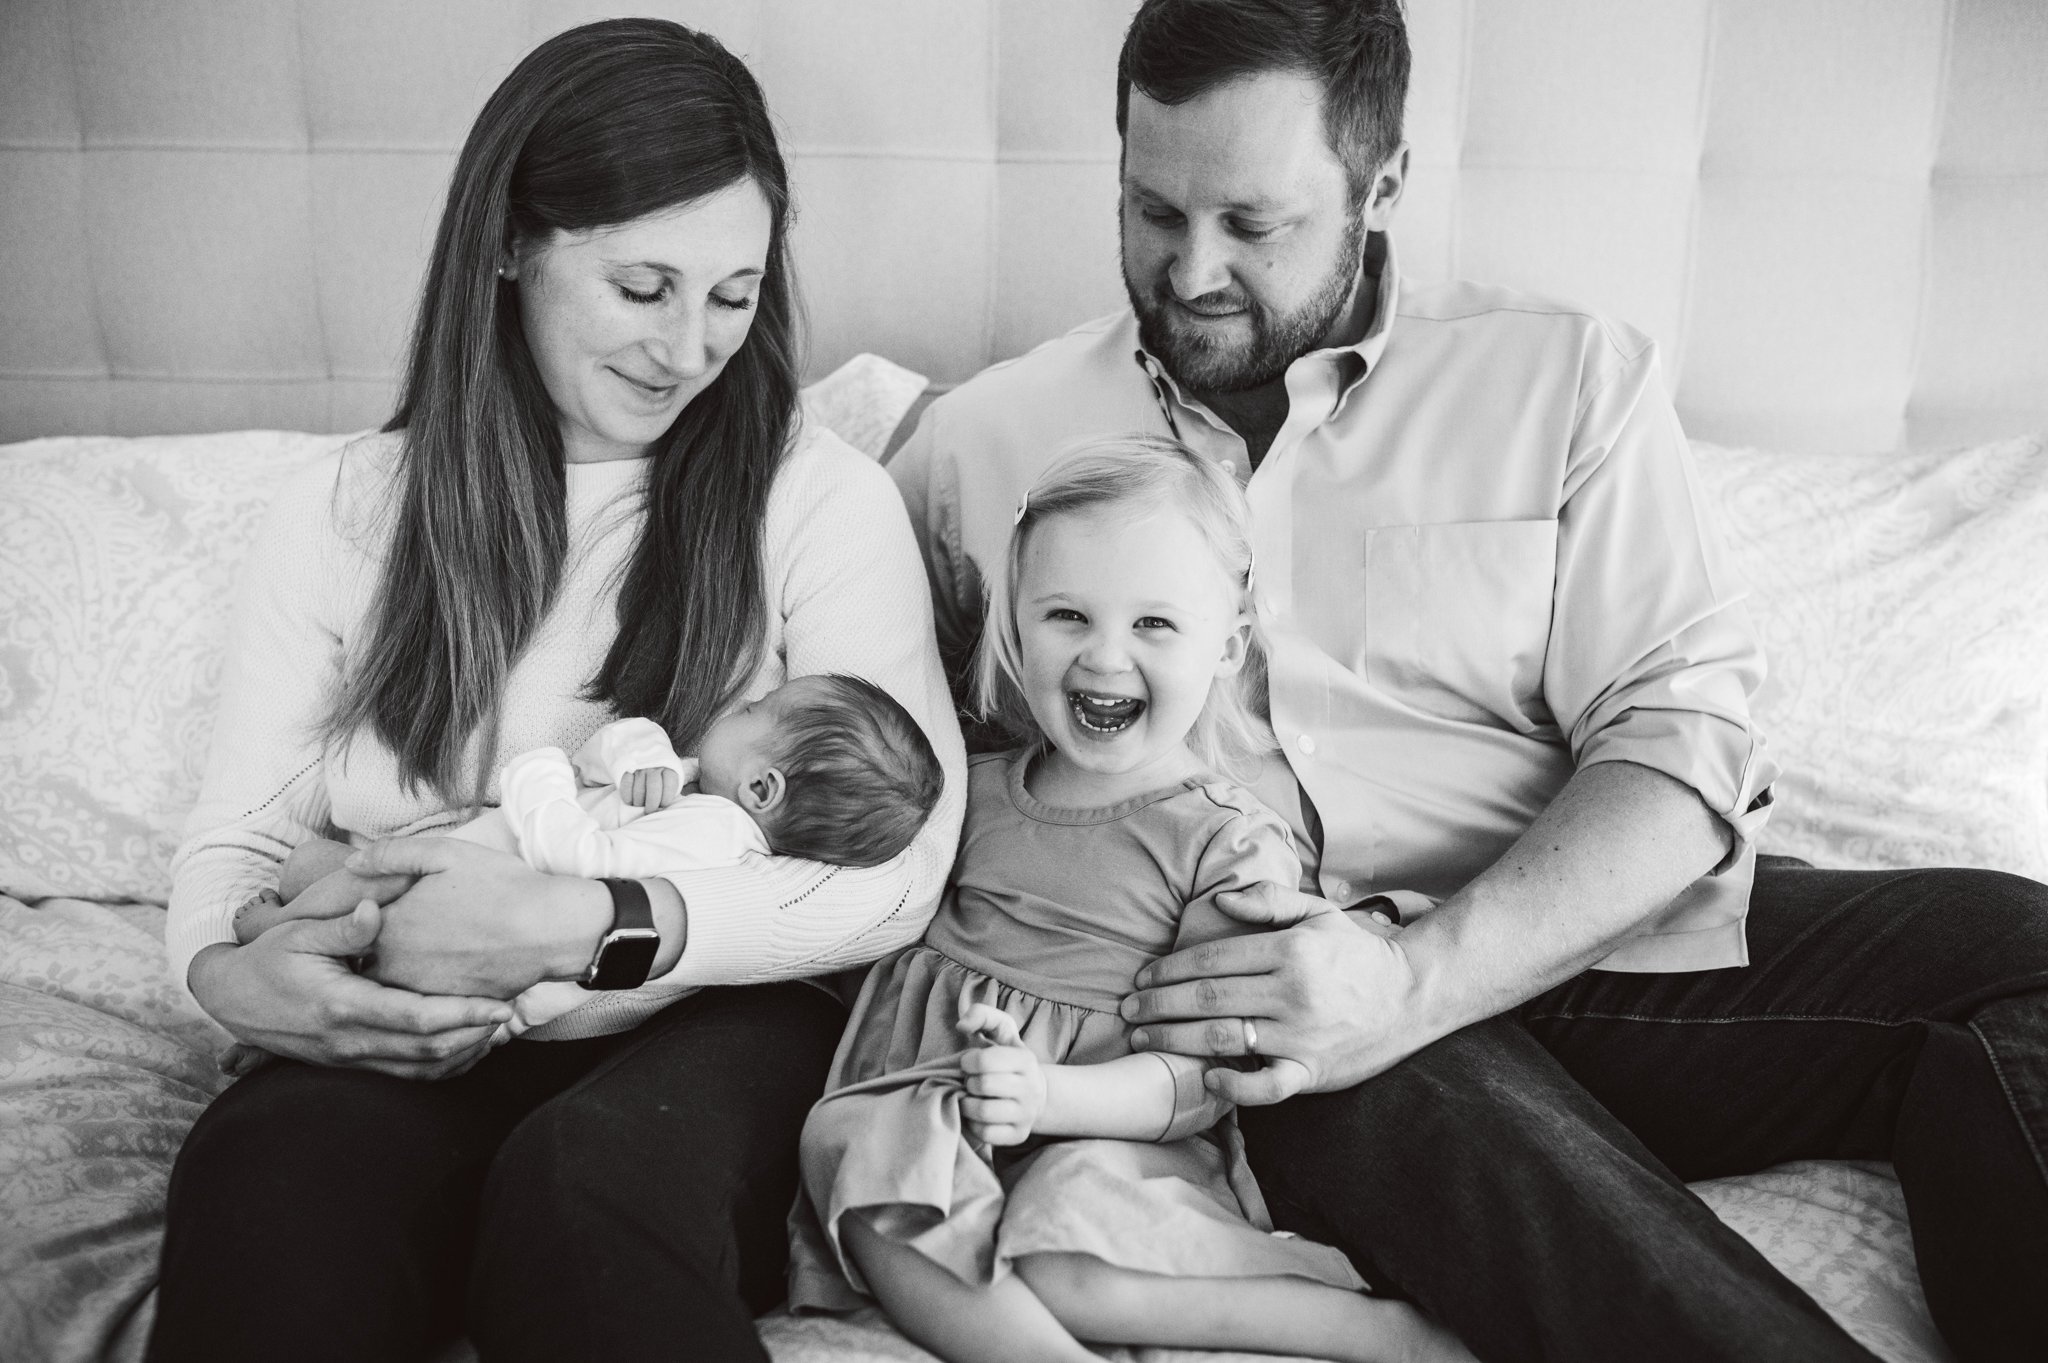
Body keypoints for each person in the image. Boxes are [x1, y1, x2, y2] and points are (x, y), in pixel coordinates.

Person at [885, 2, 2048, 1361]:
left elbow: (1682, 738)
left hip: (1570, 930)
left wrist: (1420, 972)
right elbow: (880, 756)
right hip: (1251, 997)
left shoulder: (1564, 375)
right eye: (1152, 211)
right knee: (1400, 1100)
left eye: (1253, 226)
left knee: (2014, 943)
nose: (1191, 269)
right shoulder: (979, 444)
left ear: (1381, 186)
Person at [149, 18, 965, 1363]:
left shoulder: (817, 499)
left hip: (715, 1008)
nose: (692, 346)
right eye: (643, 286)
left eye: (733, 292)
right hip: (408, 1004)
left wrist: (583, 918)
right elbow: (237, 834)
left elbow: (899, 870)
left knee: (586, 1189)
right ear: (512, 244)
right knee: (273, 1179)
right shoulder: (342, 513)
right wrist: (231, 977)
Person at [791, 437, 1471, 1363]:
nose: (1104, 656)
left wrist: (1052, 1096)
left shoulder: (1225, 841)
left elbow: (1199, 1076)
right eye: (1067, 614)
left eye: (1154, 624)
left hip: (1115, 1132)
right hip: (938, 1110)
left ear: (1225, 647)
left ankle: (1375, 1330)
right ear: (1015, 627)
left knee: (1065, 1250)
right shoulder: (964, 789)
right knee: (862, 1148)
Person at [230, 673, 945, 1041]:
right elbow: (607, 752)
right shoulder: (704, 793)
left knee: (334, 876)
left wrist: (539, 774)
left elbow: (580, 865)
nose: (739, 704)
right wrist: (639, 750)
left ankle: (275, 936)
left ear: (763, 786)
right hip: (476, 879)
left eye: (756, 710)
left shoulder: (712, 838)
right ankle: (284, 973)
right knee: (348, 890)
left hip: (482, 902)